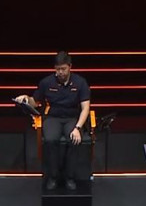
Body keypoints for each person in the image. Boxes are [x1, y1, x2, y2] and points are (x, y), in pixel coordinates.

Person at [14, 51, 91, 191]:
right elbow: (35, 101)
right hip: (53, 117)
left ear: (70, 67)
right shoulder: (47, 82)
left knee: (74, 140)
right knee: (50, 140)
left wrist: (78, 128)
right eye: (58, 69)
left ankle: (69, 177)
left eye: (63, 69)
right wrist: (26, 98)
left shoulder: (80, 82)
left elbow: (85, 108)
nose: (60, 72)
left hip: (71, 117)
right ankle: (53, 177)